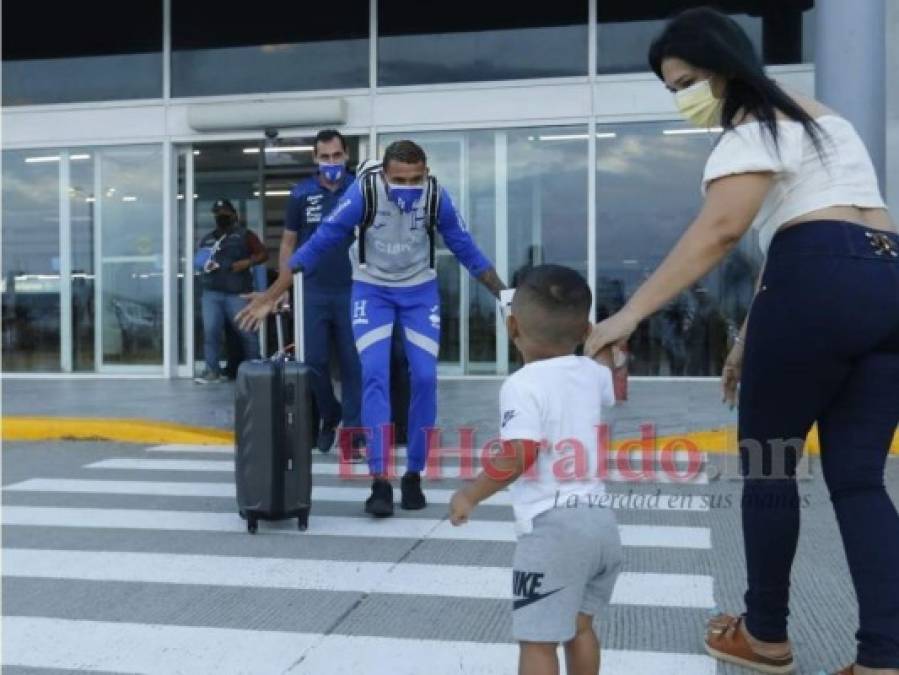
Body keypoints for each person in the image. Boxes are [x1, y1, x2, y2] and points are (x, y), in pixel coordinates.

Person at [585, 8, 899, 675]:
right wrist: (744, 340)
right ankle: (884, 654)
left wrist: (626, 315)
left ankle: (763, 635)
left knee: (767, 464)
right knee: (858, 480)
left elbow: (721, 231)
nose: (683, 97)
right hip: (885, 277)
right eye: (672, 88)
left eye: (688, 80)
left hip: (815, 280)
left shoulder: (752, 125)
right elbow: (821, 232)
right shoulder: (824, 122)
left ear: (725, 67)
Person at [238, 140, 506, 518]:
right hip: (372, 290)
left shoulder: (436, 197)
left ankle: (414, 473)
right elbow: (317, 246)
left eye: (416, 179)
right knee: (374, 375)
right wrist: (271, 294)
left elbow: (465, 247)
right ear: (384, 174)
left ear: (426, 174)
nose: (408, 187)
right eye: (400, 179)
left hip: (419, 293)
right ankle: (379, 481)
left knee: (426, 378)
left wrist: (504, 294)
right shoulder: (362, 193)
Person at [449, 264, 621, 675]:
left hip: (554, 529)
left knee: (537, 641)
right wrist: (599, 337)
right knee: (580, 628)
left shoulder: (522, 384)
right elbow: (607, 366)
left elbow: (521, 451)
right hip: (601, 524)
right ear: (583, 331)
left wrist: (470, 493)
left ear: (512, 327)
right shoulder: (592, 375)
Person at [280, 129, 363, 459]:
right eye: (325, 157)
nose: (331, 163)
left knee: (353, 365)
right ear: (315, 158)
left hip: (353, 291)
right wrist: (284, 288)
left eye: (337, 156)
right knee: (312, 363)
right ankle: (330, 413)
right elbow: (288, 242)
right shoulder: (301, 193)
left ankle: (354, 436)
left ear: (346, 156)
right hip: (311, 290)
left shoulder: (360, 189)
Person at [194, 199, 267, 384]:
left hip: (237, 293)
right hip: (212, 292)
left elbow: (263, 254)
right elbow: (198, 261)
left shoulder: (245, 235)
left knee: (246, 332)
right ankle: (212, 371)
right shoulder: (208, 238)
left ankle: (256, 370)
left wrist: (247, 262)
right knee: (211, 332)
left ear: (234, 215)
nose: (221, 217)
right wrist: (204, 264)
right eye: (218, 214)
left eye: (225, 213)